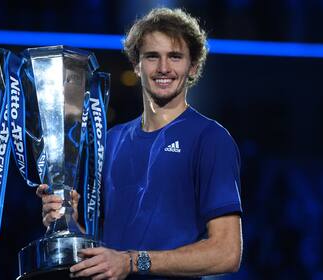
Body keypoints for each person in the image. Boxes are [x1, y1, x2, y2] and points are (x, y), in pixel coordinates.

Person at [37, 7, 242, 280]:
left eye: (175, 57)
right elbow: (109, 257)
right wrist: (68, 224)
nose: (164, 68)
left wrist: (134, 262)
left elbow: (227, 253)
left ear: (192, 67)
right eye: (152, 57)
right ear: (136, 64)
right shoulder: (110, 141)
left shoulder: (210, 139)